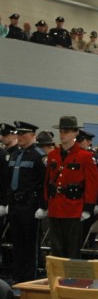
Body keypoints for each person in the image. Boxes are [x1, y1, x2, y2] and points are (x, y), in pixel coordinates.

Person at [43, 116, 98, 259]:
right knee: (56, 249)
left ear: (75, 133)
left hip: (74, 209)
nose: (62, 134)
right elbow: (47, 181)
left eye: (66, 131)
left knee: (72, 250)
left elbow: (93, 184)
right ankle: (58, 280)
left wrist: (88, 208)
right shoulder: (53, 155)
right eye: (61, 131)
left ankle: (72, 281)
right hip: (55, 208)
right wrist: (46, 203)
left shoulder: (85, 156)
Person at [4, 121, 46, 283]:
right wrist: (7, 202)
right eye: (18, 133)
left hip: (30, 204)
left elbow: (44, 182)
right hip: (15, 204)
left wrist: (43, 206)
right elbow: (9, 181)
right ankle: (18, 276)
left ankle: (29, 279)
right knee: (17, 243)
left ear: (33, 135)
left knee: (30, 245)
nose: (20, 137)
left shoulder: (39, 156)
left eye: (23, 134)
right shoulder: (15, 155)